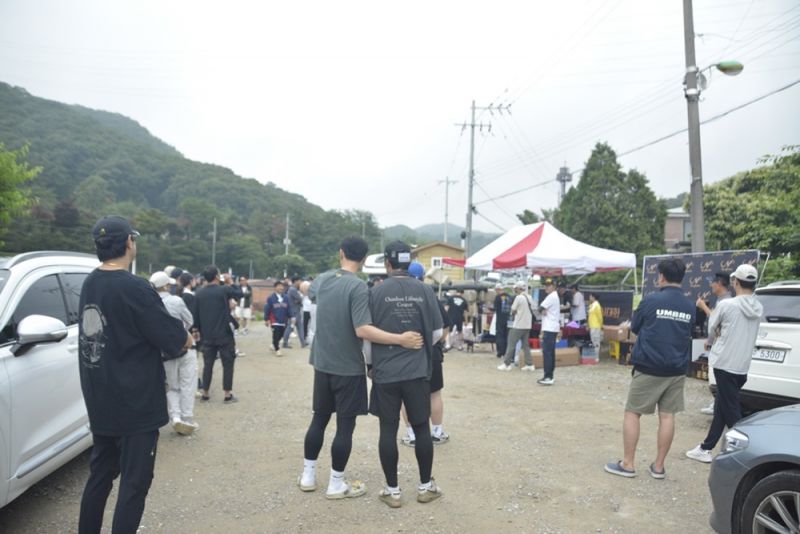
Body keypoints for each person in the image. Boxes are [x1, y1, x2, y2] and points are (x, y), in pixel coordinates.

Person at [78, 216, 192, 534]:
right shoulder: (134, 287)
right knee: (134, 483)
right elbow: (173, 337)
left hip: (100, 397)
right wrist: (185, 337)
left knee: (100, 476)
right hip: (136, 403)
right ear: (129, 242)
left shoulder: (90, 283)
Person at [298, 237, 423, 500]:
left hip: (322, 363)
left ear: (340, 253)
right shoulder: (358, 287)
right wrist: (400, 339)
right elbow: (363, 330)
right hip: (348, 367)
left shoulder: (324, 279)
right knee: (344, 426)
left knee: (319, 418)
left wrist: (306, 284)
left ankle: (308, 476)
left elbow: (305, 287)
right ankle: (335, 483)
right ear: (365, 259)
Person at [366, 241, 444, 508]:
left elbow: (366, 337)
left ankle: (393, 491)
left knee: (388, 429)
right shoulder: (425, 290)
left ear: (387, 264)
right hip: (417, 370)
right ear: (409, 263)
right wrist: (419, 346)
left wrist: (370, 364)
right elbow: (437, 333)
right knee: (421, 427)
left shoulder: (375, 292)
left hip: (385, 370)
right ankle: (425, 487)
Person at [604, 258, 694, 479]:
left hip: (649, 366)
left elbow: (635, 328)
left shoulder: (650, 300)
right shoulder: (689, 305)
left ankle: (628, 464)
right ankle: (659, 467)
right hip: (676, 368)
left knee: (632, 413)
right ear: (682, 278)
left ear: (661, 277)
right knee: (667, 416)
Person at [686, 264, 763, 463]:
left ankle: (749, 453)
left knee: (732, 414)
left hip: (724, 363)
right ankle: (706, 447)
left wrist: (713, 339)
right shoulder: (759, 306)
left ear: (736, 282)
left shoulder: (727, 305)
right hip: (742, 366)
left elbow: (712, 329)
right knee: (722, 407)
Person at [401, 262, 452, 446]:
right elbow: (445, 326)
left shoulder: (398, 296)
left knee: (406, 395)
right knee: (434, 394)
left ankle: (412, 434)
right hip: (432, 353)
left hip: (406, 352)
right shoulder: (430, 295)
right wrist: (437, 342)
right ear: (423, 276)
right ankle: (437, 432)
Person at [150, 271, 198, 436]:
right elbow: (189, 320)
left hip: (164, 352)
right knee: (187, 384)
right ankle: (187, 418)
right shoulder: (176, 301)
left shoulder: (149, 304)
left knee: (172, 386)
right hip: (185, 348)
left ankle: (176, 417)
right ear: (165, 286)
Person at [194, 265, 243, 403]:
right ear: (217, 276)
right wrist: (231, 282)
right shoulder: (224, 289)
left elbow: (196, 315)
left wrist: (197, 330)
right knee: (228, 363)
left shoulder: (199, 293)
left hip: (207, 335)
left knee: (207, 364)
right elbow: (239, 293)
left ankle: (205, 393)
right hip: (224, 333)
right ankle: (227, 394)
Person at [695, 272, 733, 415]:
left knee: (719, 375)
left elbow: (715, 321)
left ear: (719, 284)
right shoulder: (722, 300)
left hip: (723, 345)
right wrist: (710, 340)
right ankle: (717, 403)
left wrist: (703, 306)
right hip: (719, 343)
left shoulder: (726, 301)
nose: (711, 285)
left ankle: (718, 404)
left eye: (713, 283)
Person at [497, 281, 535, 372]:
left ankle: (506, 364)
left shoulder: (519, 297)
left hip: (518, 325)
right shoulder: (529, 297)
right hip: (527, 325)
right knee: (525, 345)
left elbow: (513, 310)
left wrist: (515, 312)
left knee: (511, 344)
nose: (515, 290)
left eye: (515, 288)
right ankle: (529, 364)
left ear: (518, 288)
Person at [538, 279, 561, 385]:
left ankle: (548, 376)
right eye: (546, 285)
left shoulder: (551, 296)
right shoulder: (555, 296)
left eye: (549, 285)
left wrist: (542, 310)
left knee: (547, 352)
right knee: (550, 352)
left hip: (549, 327)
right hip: (552, 327)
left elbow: (540, 308)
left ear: (554, 286)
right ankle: (550, 375)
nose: (546, 287)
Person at [265, 280, 293, 356]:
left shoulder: (286, 297)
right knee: (276, 334)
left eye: (282, 286)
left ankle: (274, 344)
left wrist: (292, 316)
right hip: (274, 320)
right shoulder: (270, 298)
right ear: (275, 288)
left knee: (281, 334)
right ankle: (277, 349)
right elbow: (267, 309)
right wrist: (266, 319)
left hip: (283, 320)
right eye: (279, 286)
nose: (281, 288)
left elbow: (288, 308)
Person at [282, 276, 307, 348]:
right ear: (295, 281)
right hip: (293, 312)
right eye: (299, 281)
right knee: (290, 327)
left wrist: (298, 300)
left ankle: (303, 343)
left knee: (300, 327)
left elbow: (298, 300)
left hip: (296, 311)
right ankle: (285, 343)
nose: (300, 282)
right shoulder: (292, 289)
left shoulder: (294, 289)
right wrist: (300, 298)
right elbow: (300, 298)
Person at [492, 284, 512, 359]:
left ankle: (500, 352)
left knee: (500, 335)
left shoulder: (498, 297)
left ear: (498, 289)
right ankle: (506, 351)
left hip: (500, 319)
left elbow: (495, 308)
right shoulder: (509, 297)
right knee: (507, 335)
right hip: (509, 319)